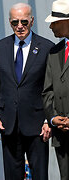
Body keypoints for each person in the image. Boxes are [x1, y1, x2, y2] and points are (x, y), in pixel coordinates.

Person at [0, 3, 54, 180]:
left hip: (38, 125)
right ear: (10, 23)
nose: (20, 26)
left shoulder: (47, 47)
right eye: (15, 22)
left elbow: (52, 87)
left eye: (24, 21)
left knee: (40, 175)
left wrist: (49, 119)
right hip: (7, 125)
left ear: (32, 21)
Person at [43, 0, 69, 179]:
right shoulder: (54, 52)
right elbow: (47, 91)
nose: (51, 26)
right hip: (62, 136)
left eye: (55, 21)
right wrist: (53, 118)